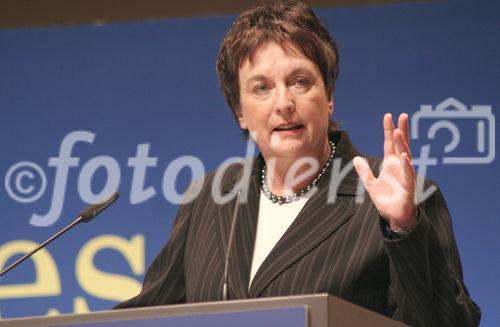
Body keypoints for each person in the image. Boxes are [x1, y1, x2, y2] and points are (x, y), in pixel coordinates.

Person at [115, 1, 480, 326]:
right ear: (239, 111)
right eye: (262, 88)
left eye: (300, 81)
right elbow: (150, 314)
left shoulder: (397, 196)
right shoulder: (210, 198)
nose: (284, 103)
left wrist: (404, 227)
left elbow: (449, 321)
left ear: (330, 96)